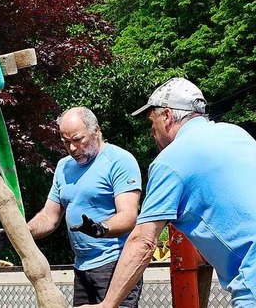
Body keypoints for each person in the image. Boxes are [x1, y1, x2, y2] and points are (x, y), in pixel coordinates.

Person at [79, 77, 256, 308]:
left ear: (167, 116)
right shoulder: (236, 134)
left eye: (151, 122)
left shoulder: (171, 161)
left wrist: (107, 304)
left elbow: (143, 240)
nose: (151, 132)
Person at [0, 107, 143, 307]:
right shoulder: (63, 167)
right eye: (66, 141)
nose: (72, 148)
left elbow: (129, 216)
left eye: (78, 139)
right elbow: (49, 217)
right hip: (82, 268)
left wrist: (101, 228)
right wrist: (19, 233)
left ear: (96, 130)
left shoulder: (119, 161)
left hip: (115, 265)